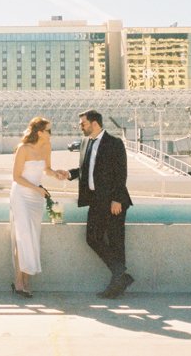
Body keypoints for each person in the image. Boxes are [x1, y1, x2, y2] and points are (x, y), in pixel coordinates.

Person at [61, 109, 134, 299]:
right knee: (92, 238)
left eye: (82, 123)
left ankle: (117, 284)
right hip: (95, 201)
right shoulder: (86, 142)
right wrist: (69, 174)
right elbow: (86, 169)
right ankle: (121, 275)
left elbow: (121, 172)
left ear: (95, 123)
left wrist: (117, 198)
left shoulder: (114, 143)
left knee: (116, 241)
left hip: (113, 202)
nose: (80, 127)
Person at [9, 116, 65, 298]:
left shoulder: (47, 147)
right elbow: (16, 177)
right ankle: (19, 281)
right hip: (21, 195)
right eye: (49, 130)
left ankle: (26, 280)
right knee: (22, 236)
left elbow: (46, 169)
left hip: (36, 198)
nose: (51, 134)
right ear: (40, 132)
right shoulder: (23, 149)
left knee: (32, 237)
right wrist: (37, 189)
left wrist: (56, 174)